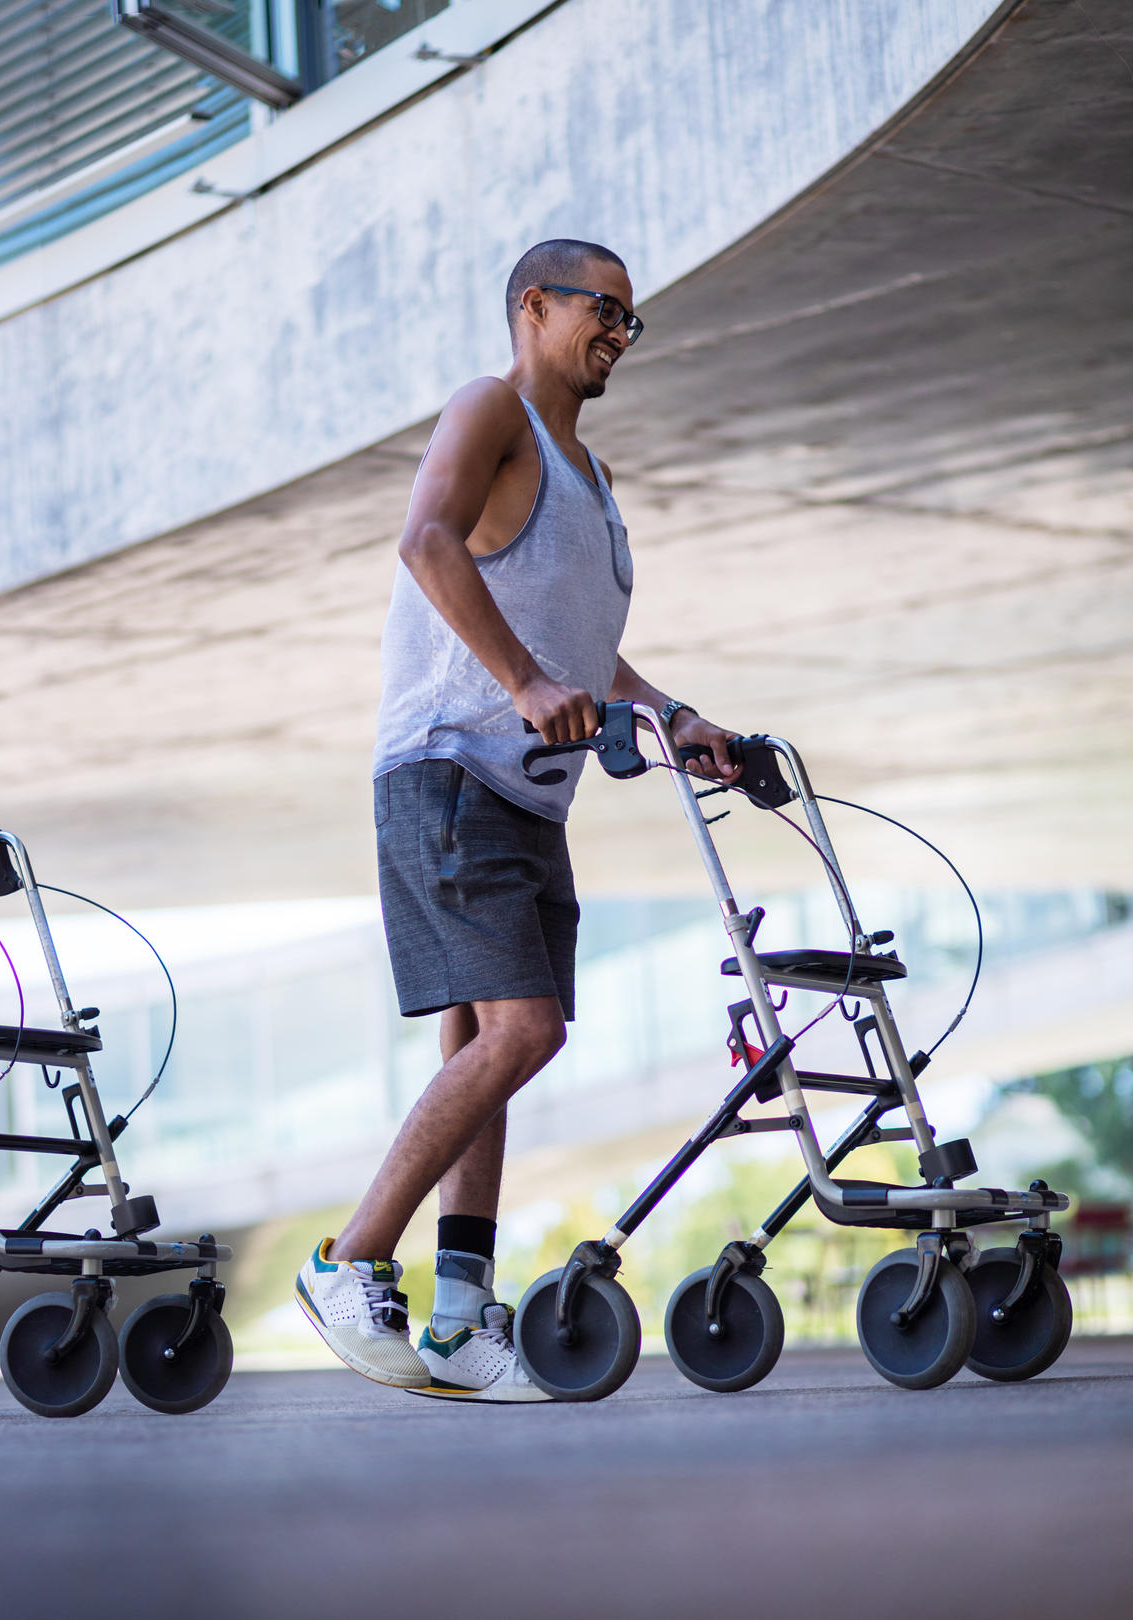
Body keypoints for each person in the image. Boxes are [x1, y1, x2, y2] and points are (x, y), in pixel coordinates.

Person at [298, 241, 743, 1400]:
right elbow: (425, 542)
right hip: (452, 771)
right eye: (604, 311)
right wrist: (523, 688)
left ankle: (455, 1312)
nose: (617, 336)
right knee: (522, 1034)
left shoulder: (587, 476)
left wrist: (674, 714)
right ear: (533, 306)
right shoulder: (489, 408)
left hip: (527, 797)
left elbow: (584, 652)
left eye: (629, 324)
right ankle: (345, 1262)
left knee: (486, 1050)